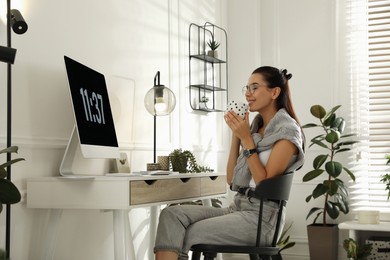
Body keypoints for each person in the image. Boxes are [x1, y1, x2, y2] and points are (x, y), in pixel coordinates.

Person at [154, 66, 305, 260]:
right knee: (171, 214)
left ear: (275, 92)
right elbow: (232, 179)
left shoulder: (287, 132)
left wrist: (247, 141)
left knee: (189, 232)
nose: (247, 94)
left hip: (262, 220)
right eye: (247, 88)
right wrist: (237, 135)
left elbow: (264, 184)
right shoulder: (255, 129)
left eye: (254, 88)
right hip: (238, 208)